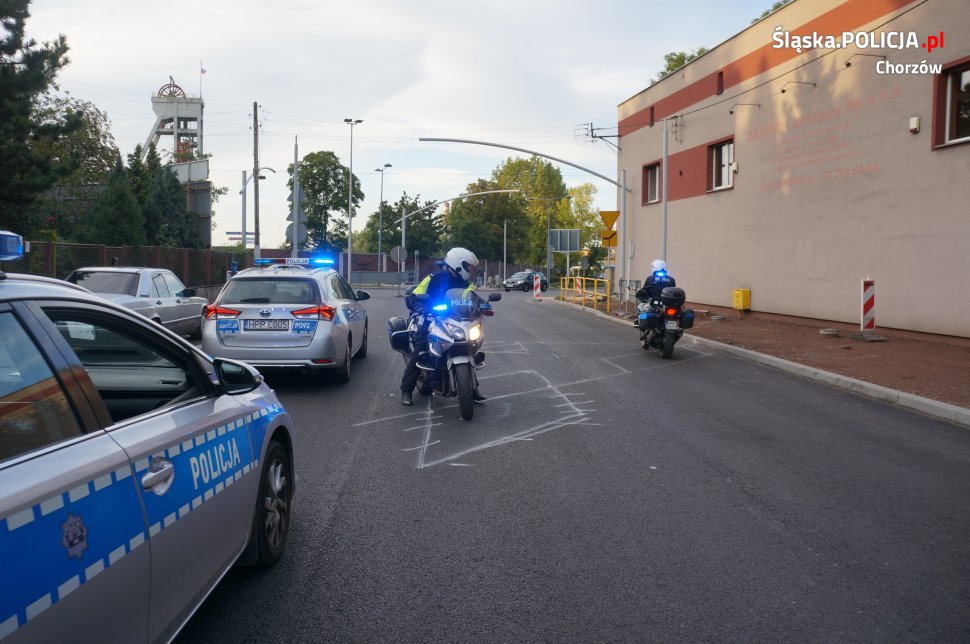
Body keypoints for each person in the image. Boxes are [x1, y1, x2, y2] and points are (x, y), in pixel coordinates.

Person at [400, 247, 487, 406]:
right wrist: (419, 305)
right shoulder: (433, 277)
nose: (470, 270)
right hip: (430, 319)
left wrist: (482, 305)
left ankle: (472, 389)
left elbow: (472, 298)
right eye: (468, 266)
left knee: (468, 346)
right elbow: (415, 295)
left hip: (455, 320)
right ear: (459, 264)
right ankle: (406, 390)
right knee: (421, 350)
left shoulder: (465, 283)